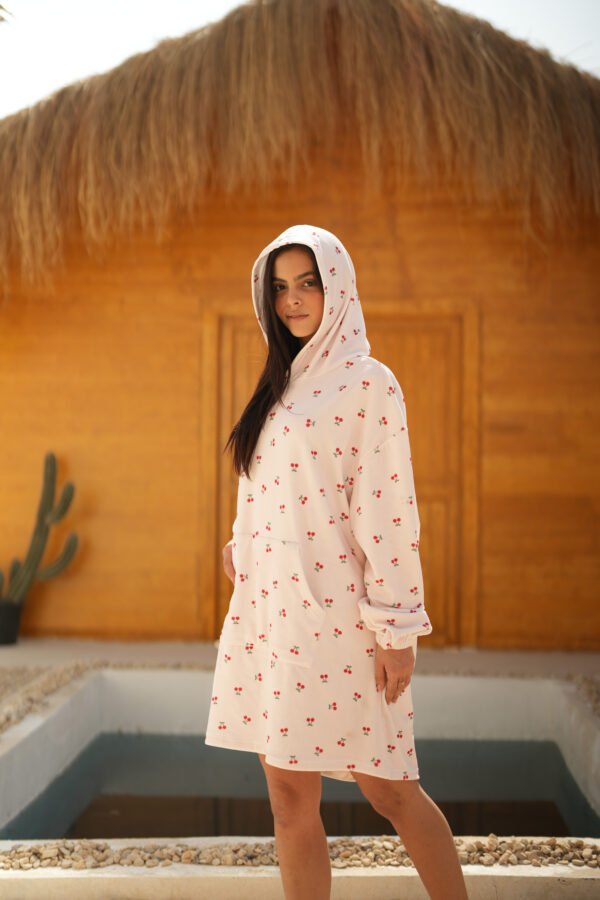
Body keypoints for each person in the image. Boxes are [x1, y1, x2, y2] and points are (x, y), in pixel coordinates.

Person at [204, 225, 468, 899]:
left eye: (308, 283)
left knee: (392, 791)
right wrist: (244, 543)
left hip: (343, 623)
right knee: (288, 800)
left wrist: (397, 629)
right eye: (280, 287)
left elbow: (388, 510)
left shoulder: (369, 383)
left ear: (338, 288)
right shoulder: (280, 382)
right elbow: (268, 485)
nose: (292, 300)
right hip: (277, 619)